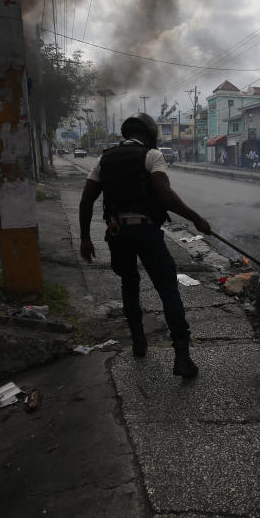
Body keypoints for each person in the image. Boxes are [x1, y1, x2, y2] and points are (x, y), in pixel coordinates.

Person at [79, 113, 211, 378]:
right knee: (167, 289)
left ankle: (139, 343)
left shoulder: (104, 159)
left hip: (117, 234)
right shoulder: (152, 156)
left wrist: (85, 238)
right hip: (145, 231)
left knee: (129, 284)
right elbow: (164, 194)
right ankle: (182, 358)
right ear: (150, 134)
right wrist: (196, 218)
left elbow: (86, 200)